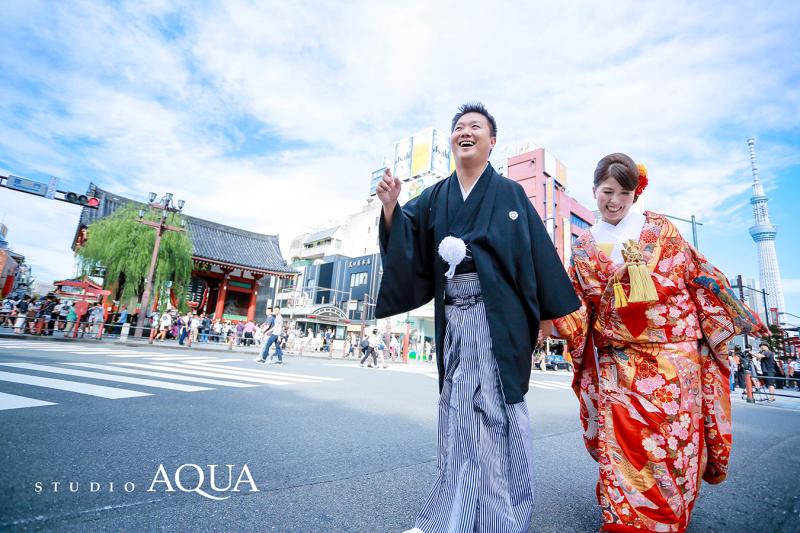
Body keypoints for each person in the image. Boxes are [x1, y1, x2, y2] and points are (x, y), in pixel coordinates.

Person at [376, 102, 579, 533]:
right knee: (456, 409)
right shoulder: (434, 196)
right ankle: (451, 511)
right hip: (455, 319)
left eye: (476, 127)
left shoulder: (509, 193)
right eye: (459, 127)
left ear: (491, 142)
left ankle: (500, 515)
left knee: (495, 409)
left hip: (498, 319)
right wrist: (393, 207)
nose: (465, 132)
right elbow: (406, 246)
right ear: (453, 139)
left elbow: (537, 252)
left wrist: (546, 317)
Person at [553, 153, 768, 533]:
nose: (614, 200)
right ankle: (624, 520)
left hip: (673, 361)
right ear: (594, 192)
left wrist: (741, 314)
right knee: (625, 442)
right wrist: (549, 324)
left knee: (672, 441)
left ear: (636, 194)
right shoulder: (584, 246)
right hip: (618, 362)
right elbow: (577, 304)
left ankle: (668, 519)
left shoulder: (662, 230)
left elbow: (701, 274)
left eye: (624, 192)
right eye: (607, 192)